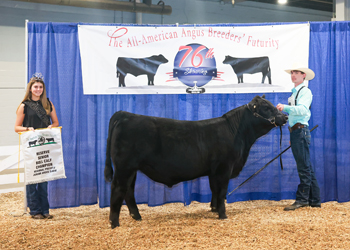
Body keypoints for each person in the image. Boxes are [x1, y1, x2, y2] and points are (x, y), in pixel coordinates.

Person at [276, 64, 321, 211]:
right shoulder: (295, 92)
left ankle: (302, 199)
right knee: (306, 165)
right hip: (297, 131)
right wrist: (292, 131)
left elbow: (302, 110)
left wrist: (285, 107)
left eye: (297, 73)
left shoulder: (305, 92)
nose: (293, 75)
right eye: (292, 72)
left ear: (303, 76)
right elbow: (296, 114)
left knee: (303, 167)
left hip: (300, 131)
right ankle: (314, 200)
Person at [15, 73, 59, 219]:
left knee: (44, 176)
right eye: (35, 87)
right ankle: (34, 210)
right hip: (31, 145)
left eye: (40, 87)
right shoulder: (24, 106)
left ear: (43, 89)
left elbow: (56, 123)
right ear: (30, 88)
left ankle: (45, 210)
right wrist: (27, 129)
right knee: (32, 178)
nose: (38, 89)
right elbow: (17, 127)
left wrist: (51, 127)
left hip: (45, 145)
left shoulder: (48, 104)